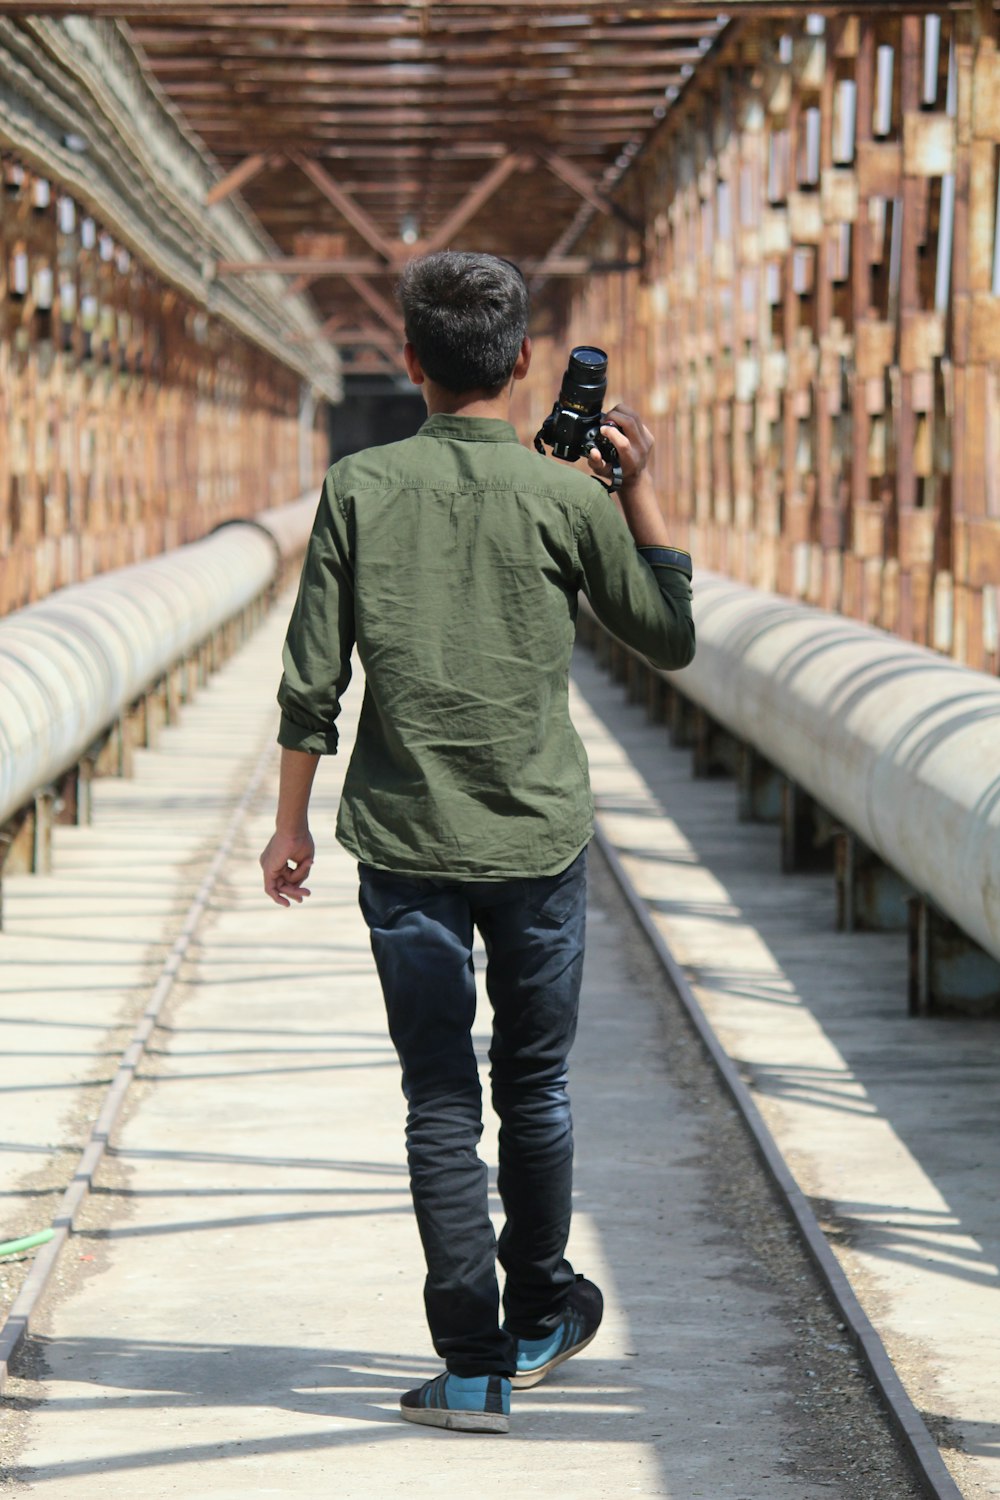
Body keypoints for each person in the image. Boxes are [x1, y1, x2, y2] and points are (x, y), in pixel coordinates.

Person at [259, 251, 695, 1434]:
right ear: (520, 366)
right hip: (538, 840)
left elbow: (312, 682)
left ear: (407, 365)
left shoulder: (357, 486)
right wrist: (636, 488)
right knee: (535, 1085)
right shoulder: (565, 496)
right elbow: (668, 636)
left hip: (403, 842)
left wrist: (292, 823)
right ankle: (545, 1303)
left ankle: (470, 1369)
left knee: (439, 1099)